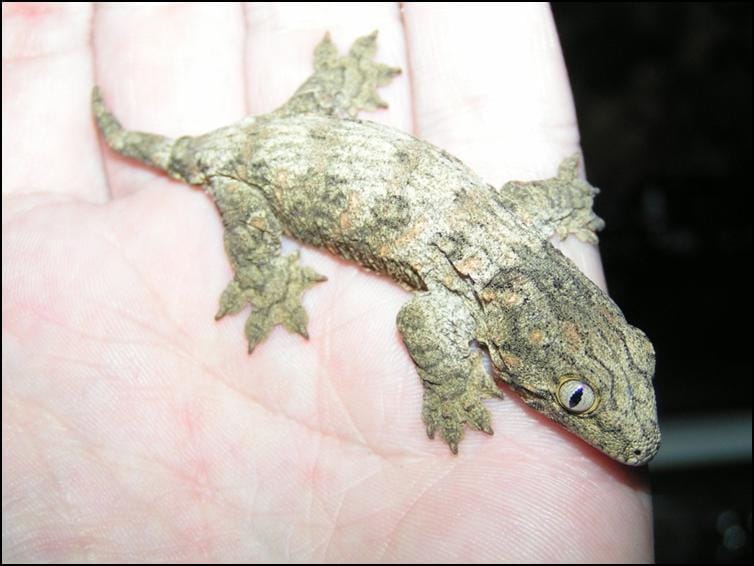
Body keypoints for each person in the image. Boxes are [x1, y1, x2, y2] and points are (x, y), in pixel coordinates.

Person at [2, 3, 652, 562]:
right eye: (575, 395)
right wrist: (453, 384)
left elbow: (529, 206)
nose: (639, 438)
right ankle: (262, 270)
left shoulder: (521, 227)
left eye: (637, 362)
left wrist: (564, 199)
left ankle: (333, 87)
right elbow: (422, 323)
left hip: (300, 132)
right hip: (244, 174)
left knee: (297, 137)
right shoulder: (475, 289)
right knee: (252, 219)